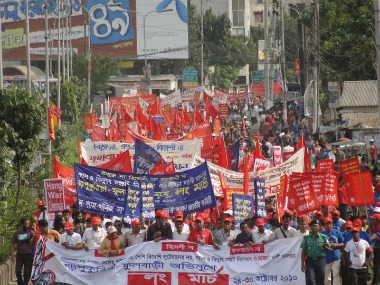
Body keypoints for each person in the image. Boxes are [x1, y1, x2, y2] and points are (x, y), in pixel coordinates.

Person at [301, 219, 330, 285]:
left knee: (320, 280)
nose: (314, 227)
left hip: (320, 260)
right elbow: (303, 251)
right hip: (310, 261)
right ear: (310, 227)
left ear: (319, 227)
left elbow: (329, 249)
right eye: (312, 226)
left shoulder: (323, 237)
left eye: (316, 226)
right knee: (310, 280)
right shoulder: (306, 238)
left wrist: (325, 246)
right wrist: (302, 264)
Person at [11, 217, 35, 285]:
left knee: (27, 273)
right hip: (20, 254)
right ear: (22, 224)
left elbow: (31, 243)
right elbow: (13, 243)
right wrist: (12, 254)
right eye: (26, 224)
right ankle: (20, 282)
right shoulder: (17, 233)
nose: (28, 225)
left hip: (28, 254)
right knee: (18, 272)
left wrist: (33, 236)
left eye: (28, 224)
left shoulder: (31, 232)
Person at [321, 216, 344, 285]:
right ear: (324, 225)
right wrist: (325, 246)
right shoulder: (321, 234)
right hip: (325, 259)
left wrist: (336, 245)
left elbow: (343, 243)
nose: (328, 225)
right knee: (326, 278)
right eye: (326, 224)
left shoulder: (337, 232)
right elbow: (319, 245)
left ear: (332, 224)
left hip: (336, 258)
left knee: (336, 276)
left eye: (330, 223)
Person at [370, 213, 380, 285]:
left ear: (377, 220)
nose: (372, 220)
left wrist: (374, 237)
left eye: (373, 219)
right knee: (375, 267)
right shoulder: (373, 227)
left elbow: (375, 237)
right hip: (375, 248)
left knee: (376, 268)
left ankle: (374, 283)